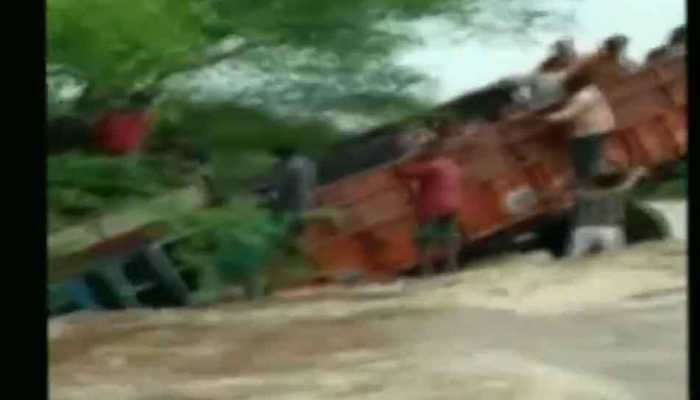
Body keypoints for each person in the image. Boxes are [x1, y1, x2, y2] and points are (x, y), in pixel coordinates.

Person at [396, 140, 463, 276]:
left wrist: (403, 159)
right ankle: (452, 266)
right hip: (452, 205)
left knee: (424, 240)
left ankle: (427, 271)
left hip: (433, 208)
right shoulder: (450, 164)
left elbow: (403, 172)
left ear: (431, 152)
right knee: (449, 236)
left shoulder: (432, 167)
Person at [542, 76, 616, 188]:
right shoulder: (593, 91)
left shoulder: (583, 97)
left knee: (583, 155)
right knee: (593, 153)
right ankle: (594, 174)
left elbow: (568, 114)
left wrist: (547, 118)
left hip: (591, 131)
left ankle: (590, 179)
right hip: (604, 127)